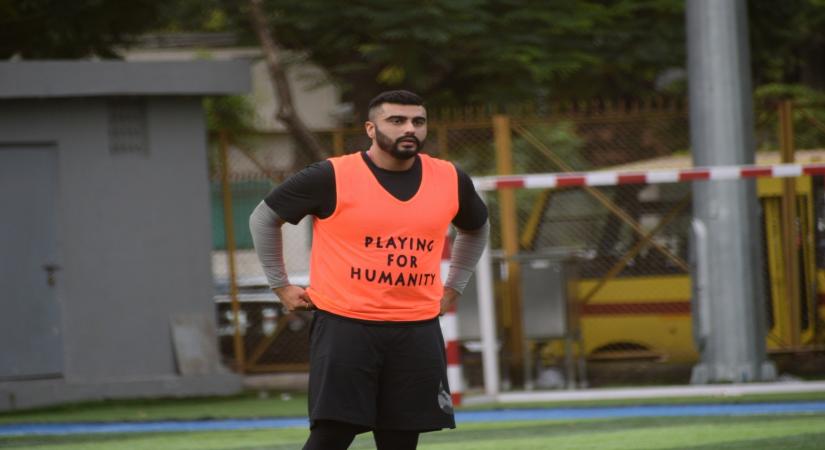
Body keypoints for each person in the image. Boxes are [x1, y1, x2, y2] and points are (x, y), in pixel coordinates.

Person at [249, 90, 489, 450]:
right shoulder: (333, 175)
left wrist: (454, 287)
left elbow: (476, 228)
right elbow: (264, 218)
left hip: (416, 328)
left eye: (418, 121)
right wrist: (280, 285)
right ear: (371, 129)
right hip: (346, 325)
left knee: (400, 439)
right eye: (397, 121)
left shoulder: (449, 178)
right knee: (334, 433)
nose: (409, 129)